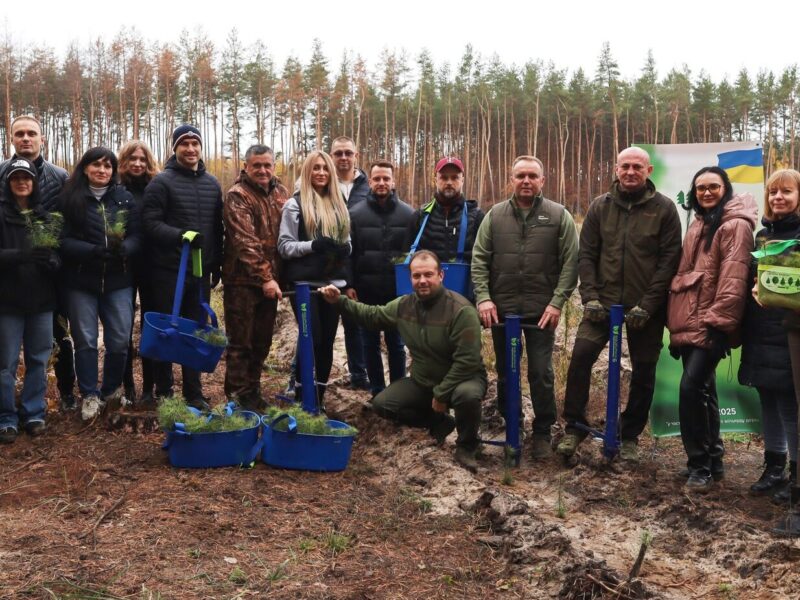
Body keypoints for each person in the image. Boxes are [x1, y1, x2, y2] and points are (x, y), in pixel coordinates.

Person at [557, 147, 682, 463]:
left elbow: (669, 261)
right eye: (625, 166)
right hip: (602, 304)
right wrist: (590, 297)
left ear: (648, 170)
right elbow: (587, 255)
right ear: (616, 169)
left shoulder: (664, 209)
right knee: (581, 357)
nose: (630, 172)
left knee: (644, 370)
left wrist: (648, 305)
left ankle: (630, 435)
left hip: (646, 308)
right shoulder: (600, 206)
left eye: (637, 167)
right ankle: (575, 426)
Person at [319, 250, 486, 471]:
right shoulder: (405, 305)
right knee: (383, 404)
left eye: (428, 274)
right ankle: (438, 422)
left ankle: (467, 446)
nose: (422, 281)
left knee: (467, 396)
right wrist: (339, 301)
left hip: (464, 379)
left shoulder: (461, 310)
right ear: (410, 278)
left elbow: (467, 361)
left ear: (441, 275)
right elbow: (372, 316)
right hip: (423, 381)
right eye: (417, 276)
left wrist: (441, 393)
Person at [471, 155, 579, 459]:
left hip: (541, 312)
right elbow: (480, 258)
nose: (526, 181)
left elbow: (571, 262)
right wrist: (484, 297)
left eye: (532, 176)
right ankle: (513, 426)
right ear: (512, 180)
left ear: (542, 180)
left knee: (541, 373)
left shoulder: (558, 215)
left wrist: (557, 303)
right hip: (503, 312)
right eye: (520, 176)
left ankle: (543, 431)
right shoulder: (495, 216)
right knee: (506, 372)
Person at [667, 166, 756, 492]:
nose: (706, 192)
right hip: (691, 322)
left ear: (725, 189)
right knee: (704, 391)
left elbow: (734, 280)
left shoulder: (734, 225)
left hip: (710, 324)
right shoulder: (700, 222)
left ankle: (700, 467)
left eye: (713, 186)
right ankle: (714, 460)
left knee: (690, 391)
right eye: (700, 187)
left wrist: (719, 326)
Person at [142, 125, 223, 407]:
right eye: (184, 144)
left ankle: (194, 393)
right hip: (168, 271)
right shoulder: (161, 182)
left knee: (195, 331)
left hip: (200, 272)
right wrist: (179, 236)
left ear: (200, 147)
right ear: (175, 148)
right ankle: (164, 392)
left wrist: (217, 263)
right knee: (167, 331)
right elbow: (150, 223)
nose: (190, 149)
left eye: (194, 143)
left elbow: (217, 227)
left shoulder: (212, 184)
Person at [59, 147, 140, 421]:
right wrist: (90, 251)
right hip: (80, 281)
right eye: (96, 165)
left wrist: (126, 248)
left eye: (107, 166)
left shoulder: (124, 198)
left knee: (119, 339)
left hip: (119, 281)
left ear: (113, 170)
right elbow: (62, 240)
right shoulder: (70, 198)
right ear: (85, 168)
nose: (102, 170)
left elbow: (138, 235)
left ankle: (110, 391)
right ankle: (90, 395)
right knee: (85, 339)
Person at [0, 115, 74, 411]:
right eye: (20, 134)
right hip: (8, 286)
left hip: (47, 282)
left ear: (42, 138)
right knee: (7, 354)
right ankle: (7, 411)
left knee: (54, 340)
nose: (26, 138)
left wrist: (56, 259)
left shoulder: (60, 176)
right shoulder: (1, 173)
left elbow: (67, 223)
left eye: (32, 133)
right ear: (12, 139)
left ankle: (64, 394)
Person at [739, 169, 800, 500]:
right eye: (773, 192)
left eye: (786, 191)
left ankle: (796, 475)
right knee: (768, 400)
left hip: (791, 334)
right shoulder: (762, 236)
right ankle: (774, 466)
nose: (778, 197)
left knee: (790, 406)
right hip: (761, 329)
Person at [278, 150, 351, 410]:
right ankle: (301, 398)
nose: (321, 173)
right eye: (316, 168)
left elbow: (348, 241)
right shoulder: (294, 204)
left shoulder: (339, 204)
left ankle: (318, 399)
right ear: (308, 172)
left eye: (325, 168)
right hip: (305, 285)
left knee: (327, 342)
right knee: (312, 339)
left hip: (333, 283)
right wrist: (313, 246)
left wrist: (345, 249)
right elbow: (285, 246)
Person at [223, 145, 289, 410]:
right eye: (256, 165)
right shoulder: (237, 195)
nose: (262, 170)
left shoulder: (281, 193)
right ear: (246, 167)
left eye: (267, 165)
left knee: (262, 341)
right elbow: (245, 241)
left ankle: (253, 391)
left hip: (271, 283)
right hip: (242, 282)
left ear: (274, 166)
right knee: (241, 343)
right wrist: (265, 277)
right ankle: (237, 398)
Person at [0, 158, 60, 442]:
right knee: (6, 363)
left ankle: (34, 412)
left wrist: (53, 262)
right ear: (8, 183)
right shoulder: (1, 214)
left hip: (41, 301)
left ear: (34, 183)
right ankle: (6, 418)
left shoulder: (44, 217)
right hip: (7, 302)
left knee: (38, 359)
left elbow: (58, 254)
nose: (22, 182)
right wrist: (21, 256)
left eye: (27, 178)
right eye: (16, 178)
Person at [348, 160, 414, 397]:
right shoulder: (355, 214)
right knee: (369, 343)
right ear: (370, 182)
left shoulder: (408, 214)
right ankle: (377, 391)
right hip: (366, 290)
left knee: (396, 344)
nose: (382, 183)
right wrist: (349, 284)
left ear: (393, 181)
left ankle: (398, 392)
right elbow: (349, 254)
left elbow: (413, 255)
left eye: (386, 178)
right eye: (377, 179)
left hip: (397, 292)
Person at [117, 140, 159, 405]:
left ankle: (149, 388)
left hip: (153, 266)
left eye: (142, 159)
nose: (137, 164)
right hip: (123, 267)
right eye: (132, 159)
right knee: (123, 327)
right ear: (124, 161)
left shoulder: (156, 187)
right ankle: (127, 386)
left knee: (150, 326)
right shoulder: (115, 189)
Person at [331, 136, 370, 390]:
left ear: (356, 155)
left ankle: (359, 375)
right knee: (316, 328)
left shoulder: (368, 186)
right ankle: (297, 377)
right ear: (332, 156)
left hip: (360, 267)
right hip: (326, 267)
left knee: (356, 324)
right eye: (338, 153)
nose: (343, 157)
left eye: (348, 153)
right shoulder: (322, 184)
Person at [406, 157, 484, 266]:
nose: (449, 182)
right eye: (444, 177)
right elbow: (407, 258)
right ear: (435, 180)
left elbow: (485, 259)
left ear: (462, 180)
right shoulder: (420, 216)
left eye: (454, 177)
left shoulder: (476, 217)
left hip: (466, 277)